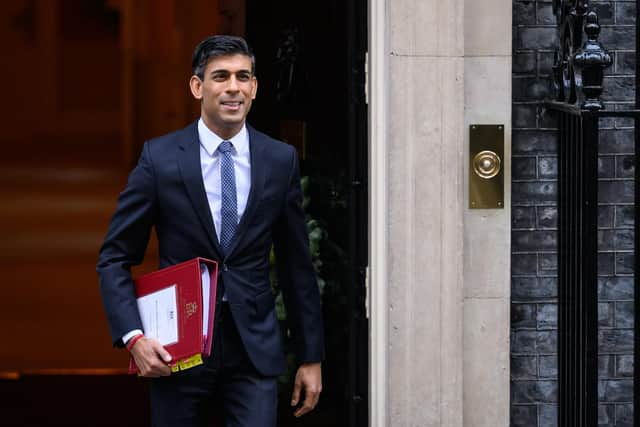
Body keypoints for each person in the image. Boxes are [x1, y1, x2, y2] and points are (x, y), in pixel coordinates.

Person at [97, 35, 324, 427]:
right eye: (220, 76)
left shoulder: (279, 159)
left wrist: (310, 356)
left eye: (243, 76)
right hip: (177, 352)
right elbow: (114, 257)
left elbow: (296, 265)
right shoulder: (160, 158)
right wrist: (134, 338)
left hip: (253, 351)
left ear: (254, 86)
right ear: (197, 86)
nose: (233, 87)